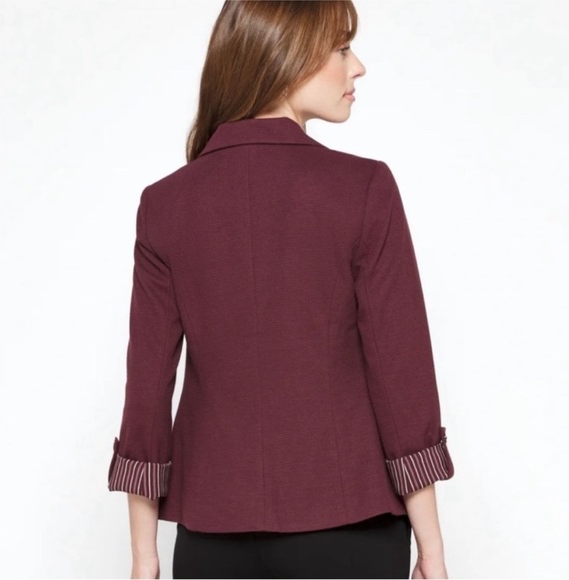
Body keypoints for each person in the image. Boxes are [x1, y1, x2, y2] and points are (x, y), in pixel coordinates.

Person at [107, 1, 455, 578]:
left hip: (212, 542)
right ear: (289, 56)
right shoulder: (364, 188)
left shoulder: (164, 205)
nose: (358, 66)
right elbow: (402, 379)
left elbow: (145, 393)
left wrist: (144, 559)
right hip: (350, 531)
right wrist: (433, 550)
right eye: (342, 48)